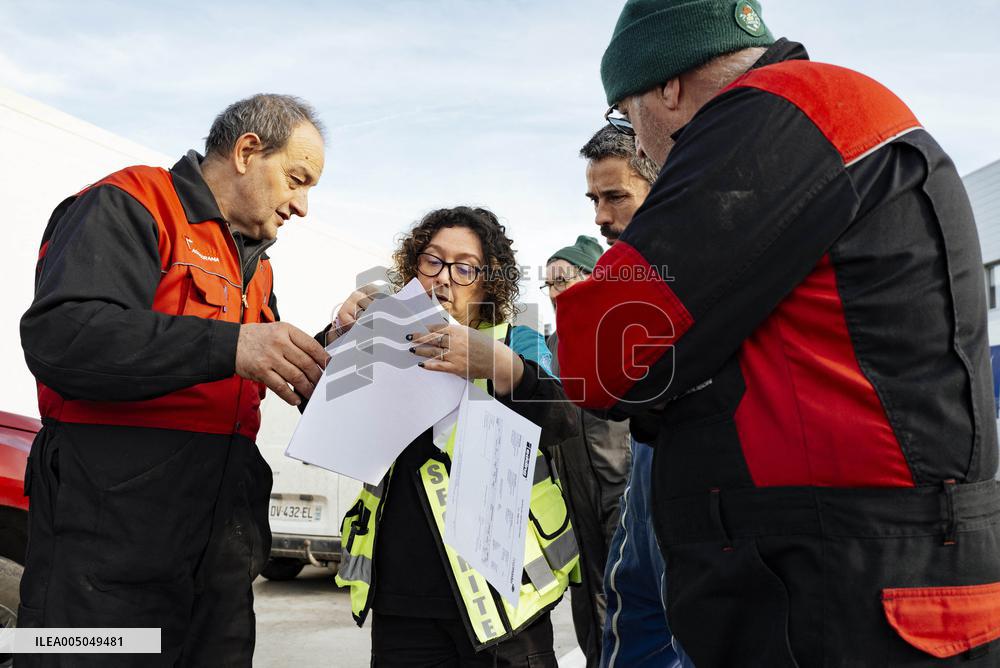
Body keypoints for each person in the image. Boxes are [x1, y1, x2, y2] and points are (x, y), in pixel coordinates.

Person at [556, 1, 1000, 665]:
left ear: (668, 88)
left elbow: (599, 354)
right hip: (868, 573)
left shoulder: (773, 114)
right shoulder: (825, 116)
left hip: (839, 589)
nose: (641, 149)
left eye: (627, 118)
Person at [18, 94, 330, 666]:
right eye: (297, 179)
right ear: (246, 151)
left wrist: (336, 342)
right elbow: (62, 336)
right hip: (106, 565)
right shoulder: (131, 203)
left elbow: (255, 364)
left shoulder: (256, 269)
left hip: (216, 568)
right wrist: (231, 346)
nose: (303, 206)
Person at [331, 206, 580, 667]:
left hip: (505, 608)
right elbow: (316, 412)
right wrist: (340, 333)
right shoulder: (381, 342)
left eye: (465, 268)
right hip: (401, 603)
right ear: (413, 268)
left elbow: (564, 419)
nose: (444, 278)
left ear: (489, 283)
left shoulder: (514, 341)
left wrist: (499, 366)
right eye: (432, 261)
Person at [577, 126, 689, 668]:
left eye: (615, 196)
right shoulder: (616, 279)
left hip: (692, 470)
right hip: (642, 472)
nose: (599, 216)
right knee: (632, 613)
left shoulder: (702, 270)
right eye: (594, 199)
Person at [542, 234, 633, 668]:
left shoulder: (620, 331)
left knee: (628, 591)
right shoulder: (552, 346)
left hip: (622, 489)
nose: (556, 291)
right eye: (549, 284)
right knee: (588, 596)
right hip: (574, 495)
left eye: (563, 278)